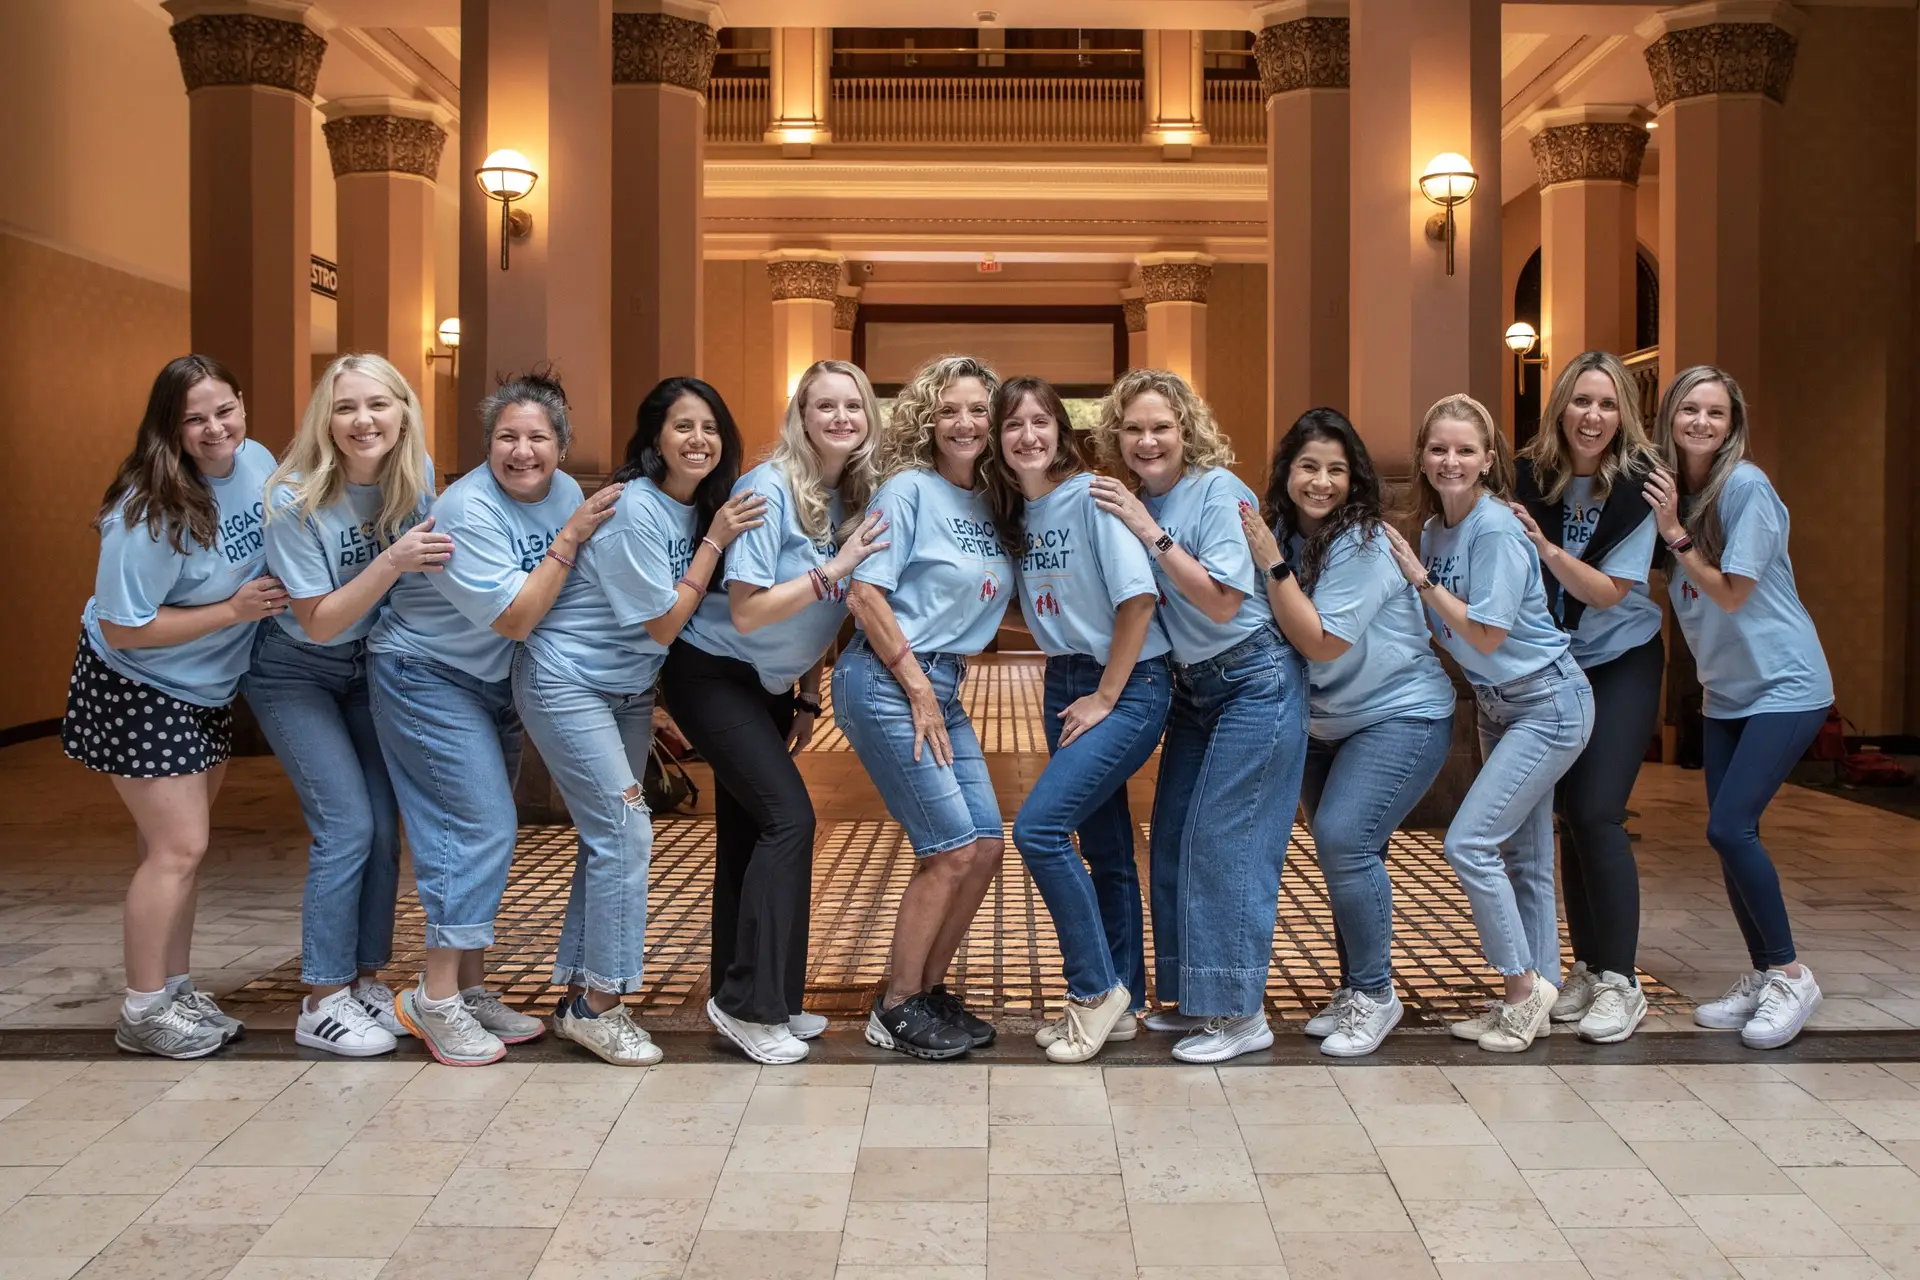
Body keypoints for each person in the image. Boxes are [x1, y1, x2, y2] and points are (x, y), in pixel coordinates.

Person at [368, 370, 622, 1067]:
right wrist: (569, 538)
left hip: (494, 684)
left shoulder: (565, 493)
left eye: (537, 437)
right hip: (424, 676)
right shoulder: (466, 508)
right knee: (476, 829)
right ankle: (436, 997)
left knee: (483, 833)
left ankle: (472, 991)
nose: (522, 450)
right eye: (506, 437)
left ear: (561, 446)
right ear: (487, 445)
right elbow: (515, 617)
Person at [517, 378, 767, 1067]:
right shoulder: (636, 509)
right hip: (567, 680)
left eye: (710, 427)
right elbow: (663, 623)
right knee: (626, 829)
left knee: (607, 835)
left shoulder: (696, 506)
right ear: (653, 436)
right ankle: (603, 1004)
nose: (698, 440)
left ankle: (577, 996)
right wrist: (715, 543)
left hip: (624, 692)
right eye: (682, 426)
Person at [665, 361, 889, 1064]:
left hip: (768, 684)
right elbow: (752, 609)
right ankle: (749, 1005)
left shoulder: (851, 490)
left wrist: (808, 693)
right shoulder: (767, 488)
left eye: (853, 405)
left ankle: (773, 999)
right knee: (789, 820)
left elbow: (821, 620)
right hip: (712, 673)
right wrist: (837, 564)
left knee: (749, 831)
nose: (840, 418)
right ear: (801, 415)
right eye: (824, 406)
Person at [64, 355, 283, 1059]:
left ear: (242, 406)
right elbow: (127, 626)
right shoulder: (148, 509)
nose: (215, 429)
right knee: (177, 848)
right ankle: (142, 1009)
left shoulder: (256, 461)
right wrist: (232, 610)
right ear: (171, 428)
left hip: (206, 684)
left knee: (179, 850)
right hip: (138, 683)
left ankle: (175, 987)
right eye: (195, 419)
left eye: (224, 410)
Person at [1089, 368, 1309, 1065]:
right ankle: (1193, 998)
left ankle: (1241, 1014)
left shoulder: (1217, 491)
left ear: (1186, 430)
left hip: (1254, 679)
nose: (1148, 440)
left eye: (1161, 426)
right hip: (1193, 687)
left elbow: (1219, 602)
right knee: (1177, 837)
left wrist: (1148, 529)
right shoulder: (1136, 499)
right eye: (1134, 429)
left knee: (1226, 843)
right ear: (1116, 438)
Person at [1238, 408, 1455, 1057]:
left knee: (1342, 839)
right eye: (1309, 466)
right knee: (1351, 855)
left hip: (1398, 714)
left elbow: (1323, 642)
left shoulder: (1365, 542)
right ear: (1287, 472)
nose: (1321, 482)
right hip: (1324, 723)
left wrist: (1275, 568)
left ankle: (1376, 993)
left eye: (1336, 469)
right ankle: (1358, 989)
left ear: (1354, 478)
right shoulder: (1279, 529)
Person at [1381, 393, 1593, 1053]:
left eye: (1465, 450)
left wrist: (1417, 579)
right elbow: (1440, 630)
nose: (1450, 461)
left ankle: (1520, 991)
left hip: (1547, 702)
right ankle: (1540, 996)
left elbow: (1490, 632)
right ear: (1422, 455)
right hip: (1500, 705)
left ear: (1488, 459)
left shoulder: (1495, 527)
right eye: (1438, 448)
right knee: (1524, 860)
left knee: (1467, 843)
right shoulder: (1435, 529)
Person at [252, 354, 447, 1057]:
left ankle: (365, 980)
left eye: (377, 405)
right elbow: (321, 622)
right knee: (346, 826)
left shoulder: (416, 481)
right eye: (345, 408)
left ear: (403, 412)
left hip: (374, 668)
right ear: (324, 421)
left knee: (384, 829)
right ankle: (321, 997)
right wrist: (391, 562)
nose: (363, 420)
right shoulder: (293, 499)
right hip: (296, 671)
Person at [984, 376, 1170, 1063]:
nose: (1028, 435)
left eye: (1041, 422)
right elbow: (1031, 605)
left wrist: (1107, 696)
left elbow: (1139, 602)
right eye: (1013, 425)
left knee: (1038, 829)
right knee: (1108, 848)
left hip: (1128, 681)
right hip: (1064, 674)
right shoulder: (1021, 515)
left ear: (1062, 431)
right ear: (998, 441)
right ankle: (1125, 997)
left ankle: (1092, 992)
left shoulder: (1093, 499)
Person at [1646, 365, 1832, 1049]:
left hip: (1786, 683)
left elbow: (1730, 593)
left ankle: (1790, 974)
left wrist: (1674, 533)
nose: (1700, 422)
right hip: (1727, 692)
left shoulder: (1744, 488)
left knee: (1731, 828)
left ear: (1732, 425)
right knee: (1727, 835)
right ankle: (1762, 973)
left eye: (1715, 414)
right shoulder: (1676, 492)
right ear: (1670, 418)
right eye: (1689, 410)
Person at [837, 354, 1011, 1060]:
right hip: (887, 680)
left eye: (978, 411)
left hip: (945, 685)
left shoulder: (994, 502)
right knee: (950, 849)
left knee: (988, 846)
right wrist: (915, 687)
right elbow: (864, 593)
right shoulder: (908, 490)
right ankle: (895, 1005)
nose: (965, 423)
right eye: (949, 411)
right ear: (927, 422)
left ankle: (928, 991)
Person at [1512, 352, 1664, 1043]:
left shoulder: (1637, 488)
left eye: (1607, 404)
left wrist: (1545, 548)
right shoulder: (1528, 475)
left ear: (1623, 415)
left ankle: (1624, 983)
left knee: (1599, 811)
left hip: (1621, 659)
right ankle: (1591, 966)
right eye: (1581, 401)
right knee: (1569, 816)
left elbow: (1606, 593)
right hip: (1554, 664)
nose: (1593, 416)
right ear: (1560, 408)